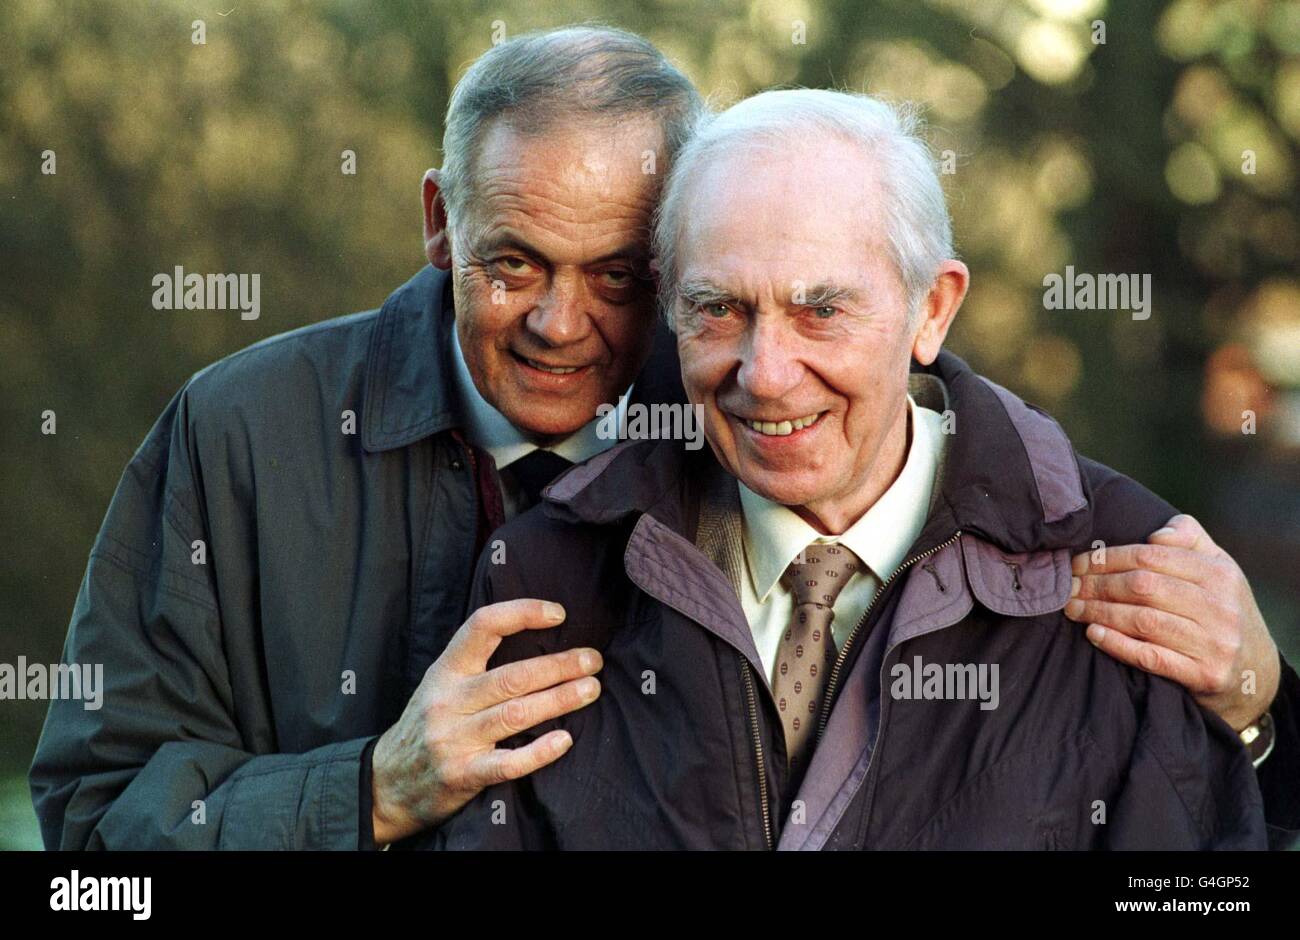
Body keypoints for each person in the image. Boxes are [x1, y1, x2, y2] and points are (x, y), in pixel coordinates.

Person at [29, 28, 1297, 851]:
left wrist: (1268, 710)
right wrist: (365, 791)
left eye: (625, 273)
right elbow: (87, 856)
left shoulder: (957, 488)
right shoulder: (242, 439)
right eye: (512, 262)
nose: (561, 325)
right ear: (437, 223)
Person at [427, 89, 1292, 849]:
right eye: (719, 309)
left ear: (932, 310)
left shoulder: (1129, 572)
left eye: (821, 310)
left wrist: (1266, 709)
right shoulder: (551, 575)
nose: (765, 374)